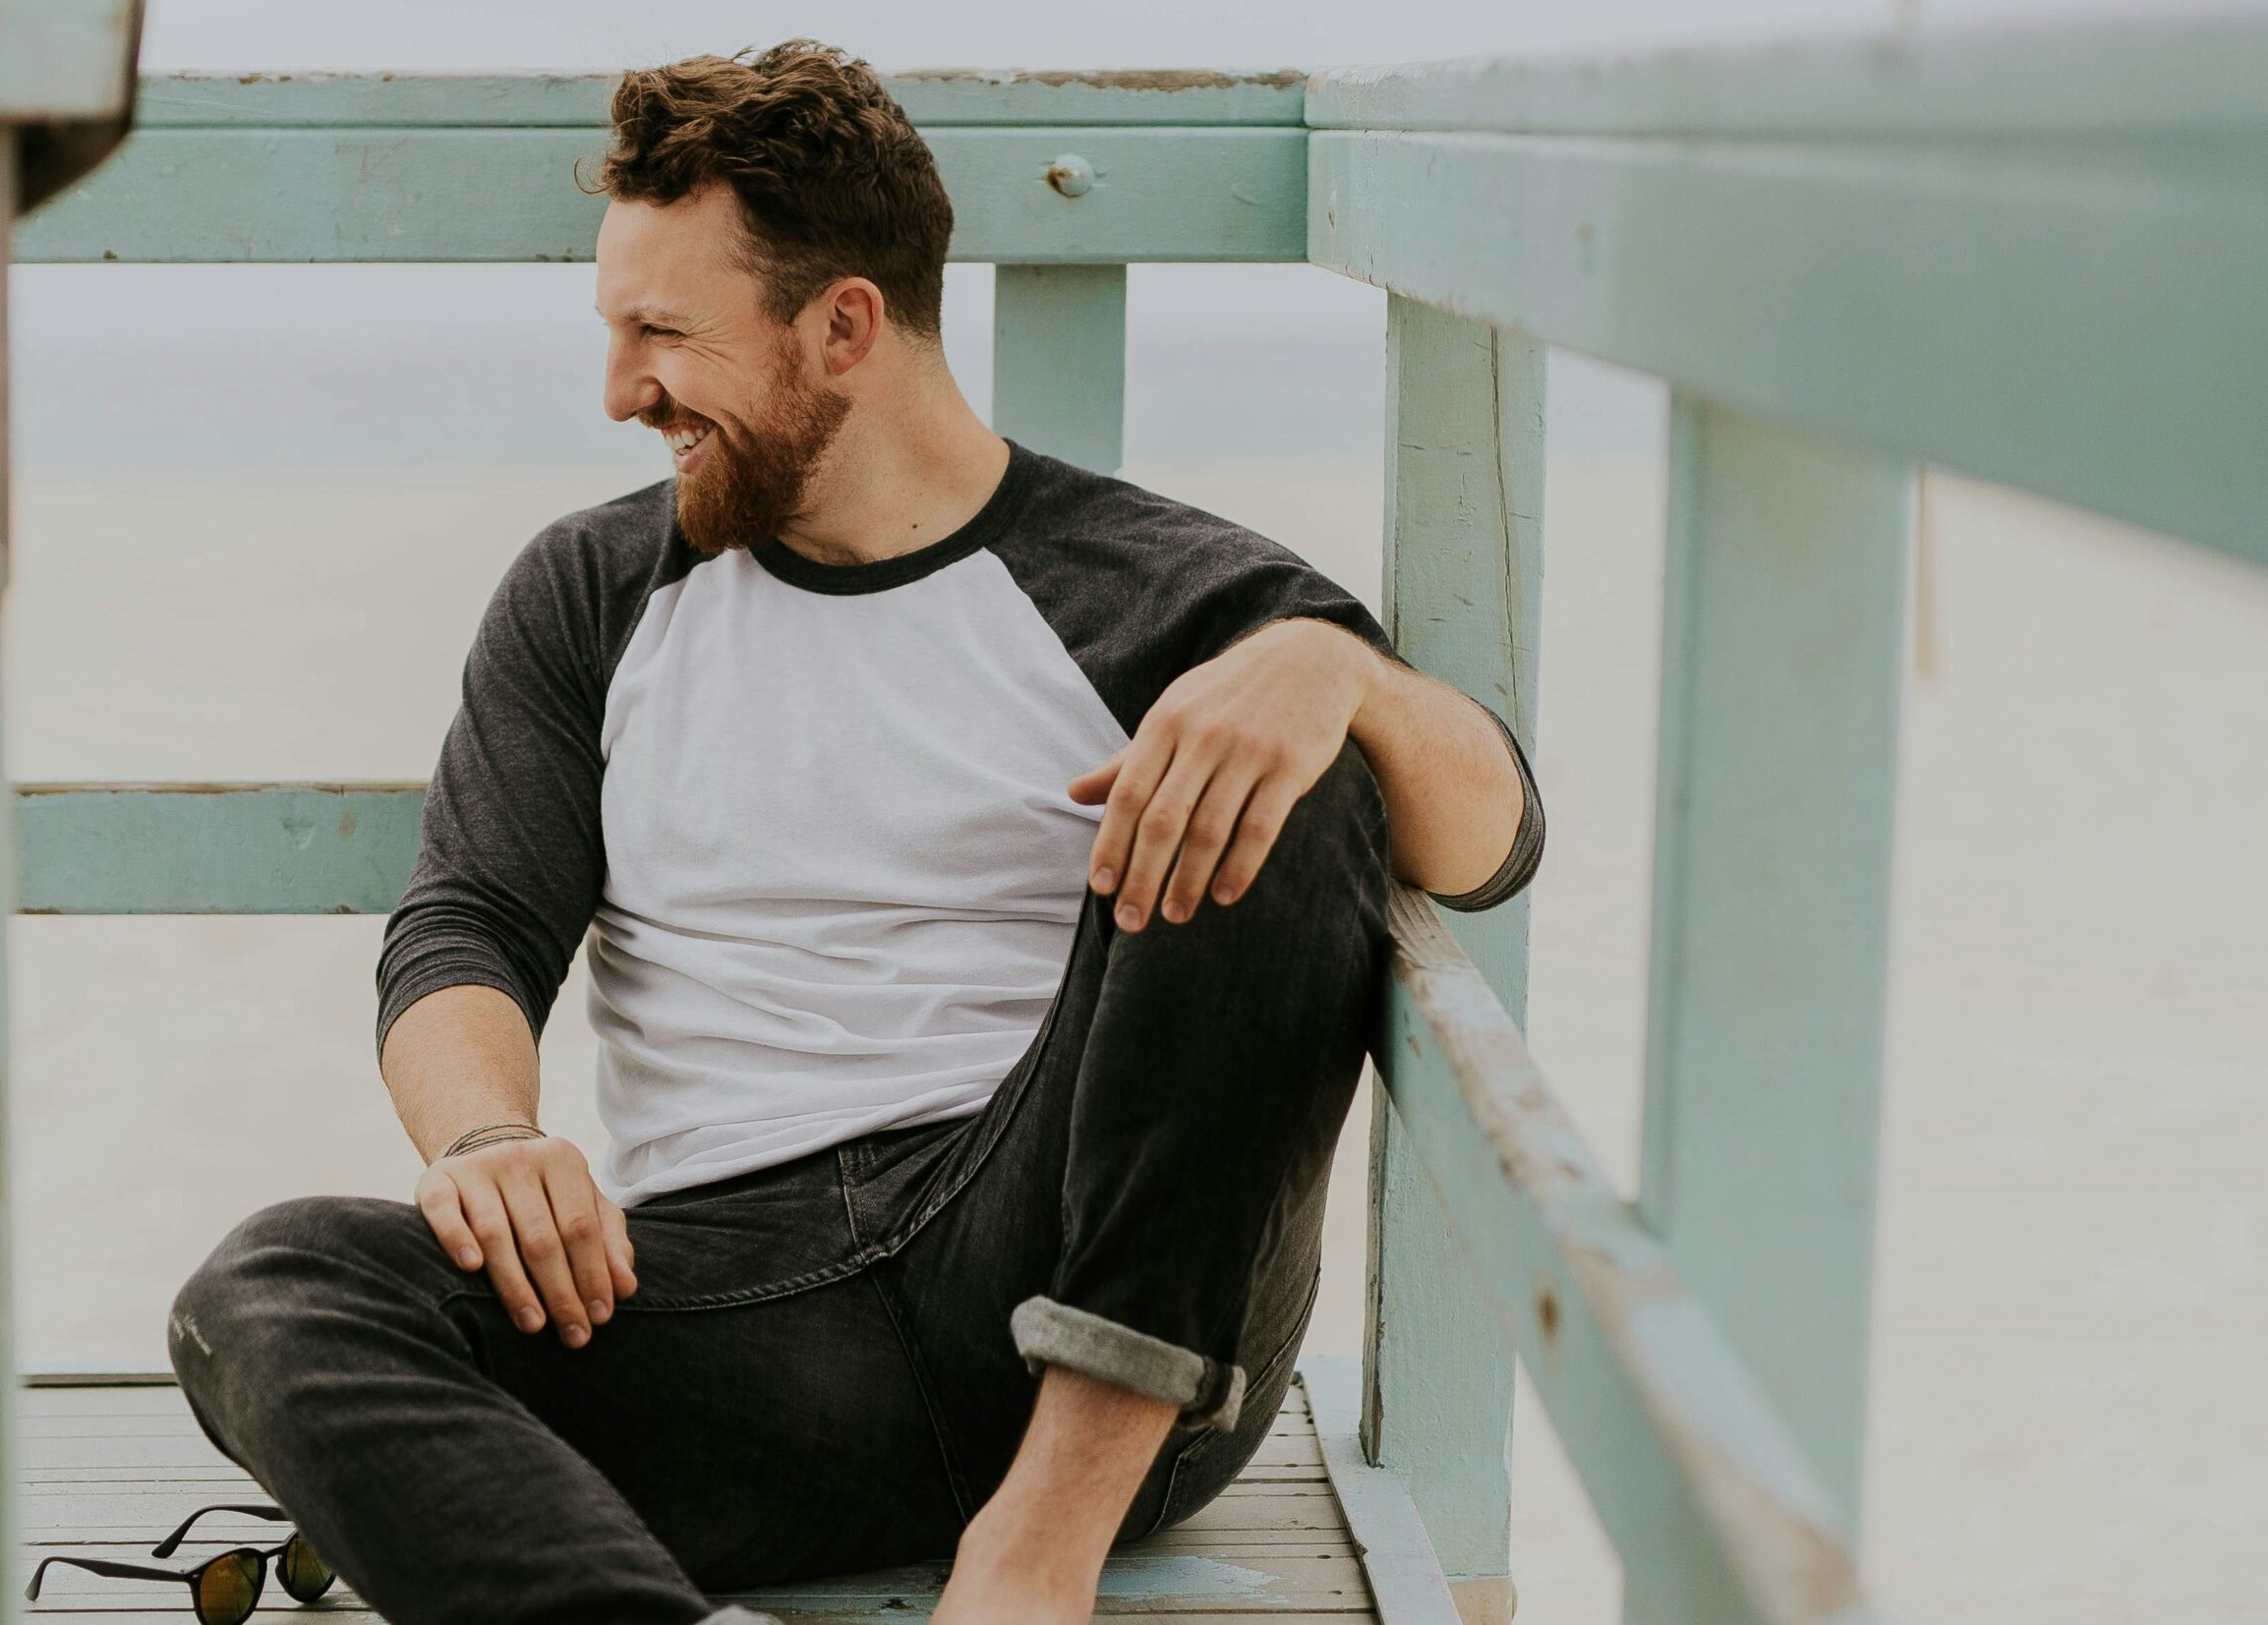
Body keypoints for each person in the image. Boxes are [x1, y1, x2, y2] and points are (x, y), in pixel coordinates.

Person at [163, 37, 1544, 1625]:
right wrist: (489, 1140)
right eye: (614, 333)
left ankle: (1036, 1550)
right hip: (727, 1313)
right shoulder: (589, 595)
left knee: (1297, 765)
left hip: (1081, 1284)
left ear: (843, 328)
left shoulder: (1160, 587)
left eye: (663, 336)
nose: (620, 393)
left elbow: (1492, 838)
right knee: (269, 1289)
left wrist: (1338, 673)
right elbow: (466, 922)